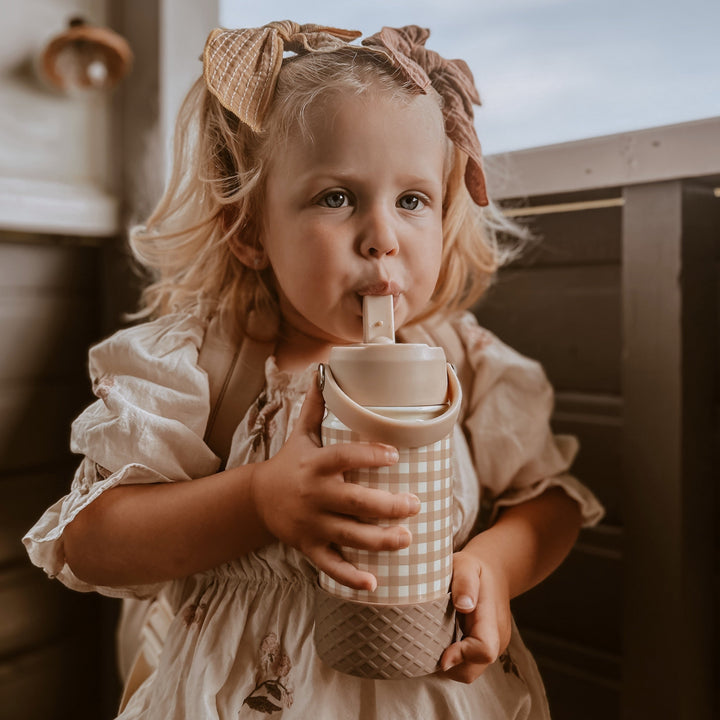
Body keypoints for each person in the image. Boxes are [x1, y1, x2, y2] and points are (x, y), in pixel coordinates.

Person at [24, 21, 604, 719]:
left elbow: (553, 500)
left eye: (412, 200)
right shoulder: (208, 365)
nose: (383, 238)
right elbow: (91, 543)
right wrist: (259, 500)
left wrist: (499, 565)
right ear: (250, 229)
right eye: (337, 198)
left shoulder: (467, 363)